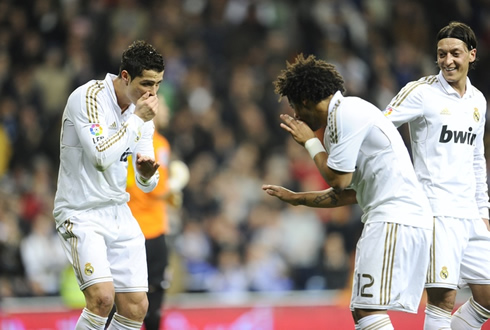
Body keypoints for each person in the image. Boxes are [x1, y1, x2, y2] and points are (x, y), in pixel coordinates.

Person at [262, 53, 433, 330]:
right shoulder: (335, 126)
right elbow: (350, 192)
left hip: (395, 216)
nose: (295, 115)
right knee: (363, 310)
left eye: (294, 106)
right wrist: (296, 199)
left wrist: (310, 144)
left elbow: (339, 180)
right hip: (392, 216)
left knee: (367, 309)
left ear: (305, 100)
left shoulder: (347, 113)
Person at [383, 21, 490, 330]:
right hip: (436, 212)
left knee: (486, 297)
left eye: (455, 53)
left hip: (470, 213)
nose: (447, 61)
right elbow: (379, 127)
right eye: (441, 54)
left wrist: (483, 210)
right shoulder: (421, 93)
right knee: (443, 300)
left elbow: (476, 158)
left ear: (472, 54)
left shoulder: (478, 101)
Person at [53, 40, 165, 330]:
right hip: (81, 212)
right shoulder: (88, 98)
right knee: (102, 298)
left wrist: (146, 173)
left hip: (118, 210)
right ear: (125, 76)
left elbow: (148, 183)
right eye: (147, 83)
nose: (153, 93)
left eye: (158, 84)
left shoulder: (142, 113)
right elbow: (101, 157)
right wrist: (138, 119)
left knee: (137, 307)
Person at [125, 97, 183, 329]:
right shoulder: (157, 144)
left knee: (126, 294)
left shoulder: (128, 139)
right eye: (165, 106)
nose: (167, 111)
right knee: (155, 292)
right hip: (149, 230)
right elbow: (155, 188)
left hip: (128, 226)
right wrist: (175, 186)